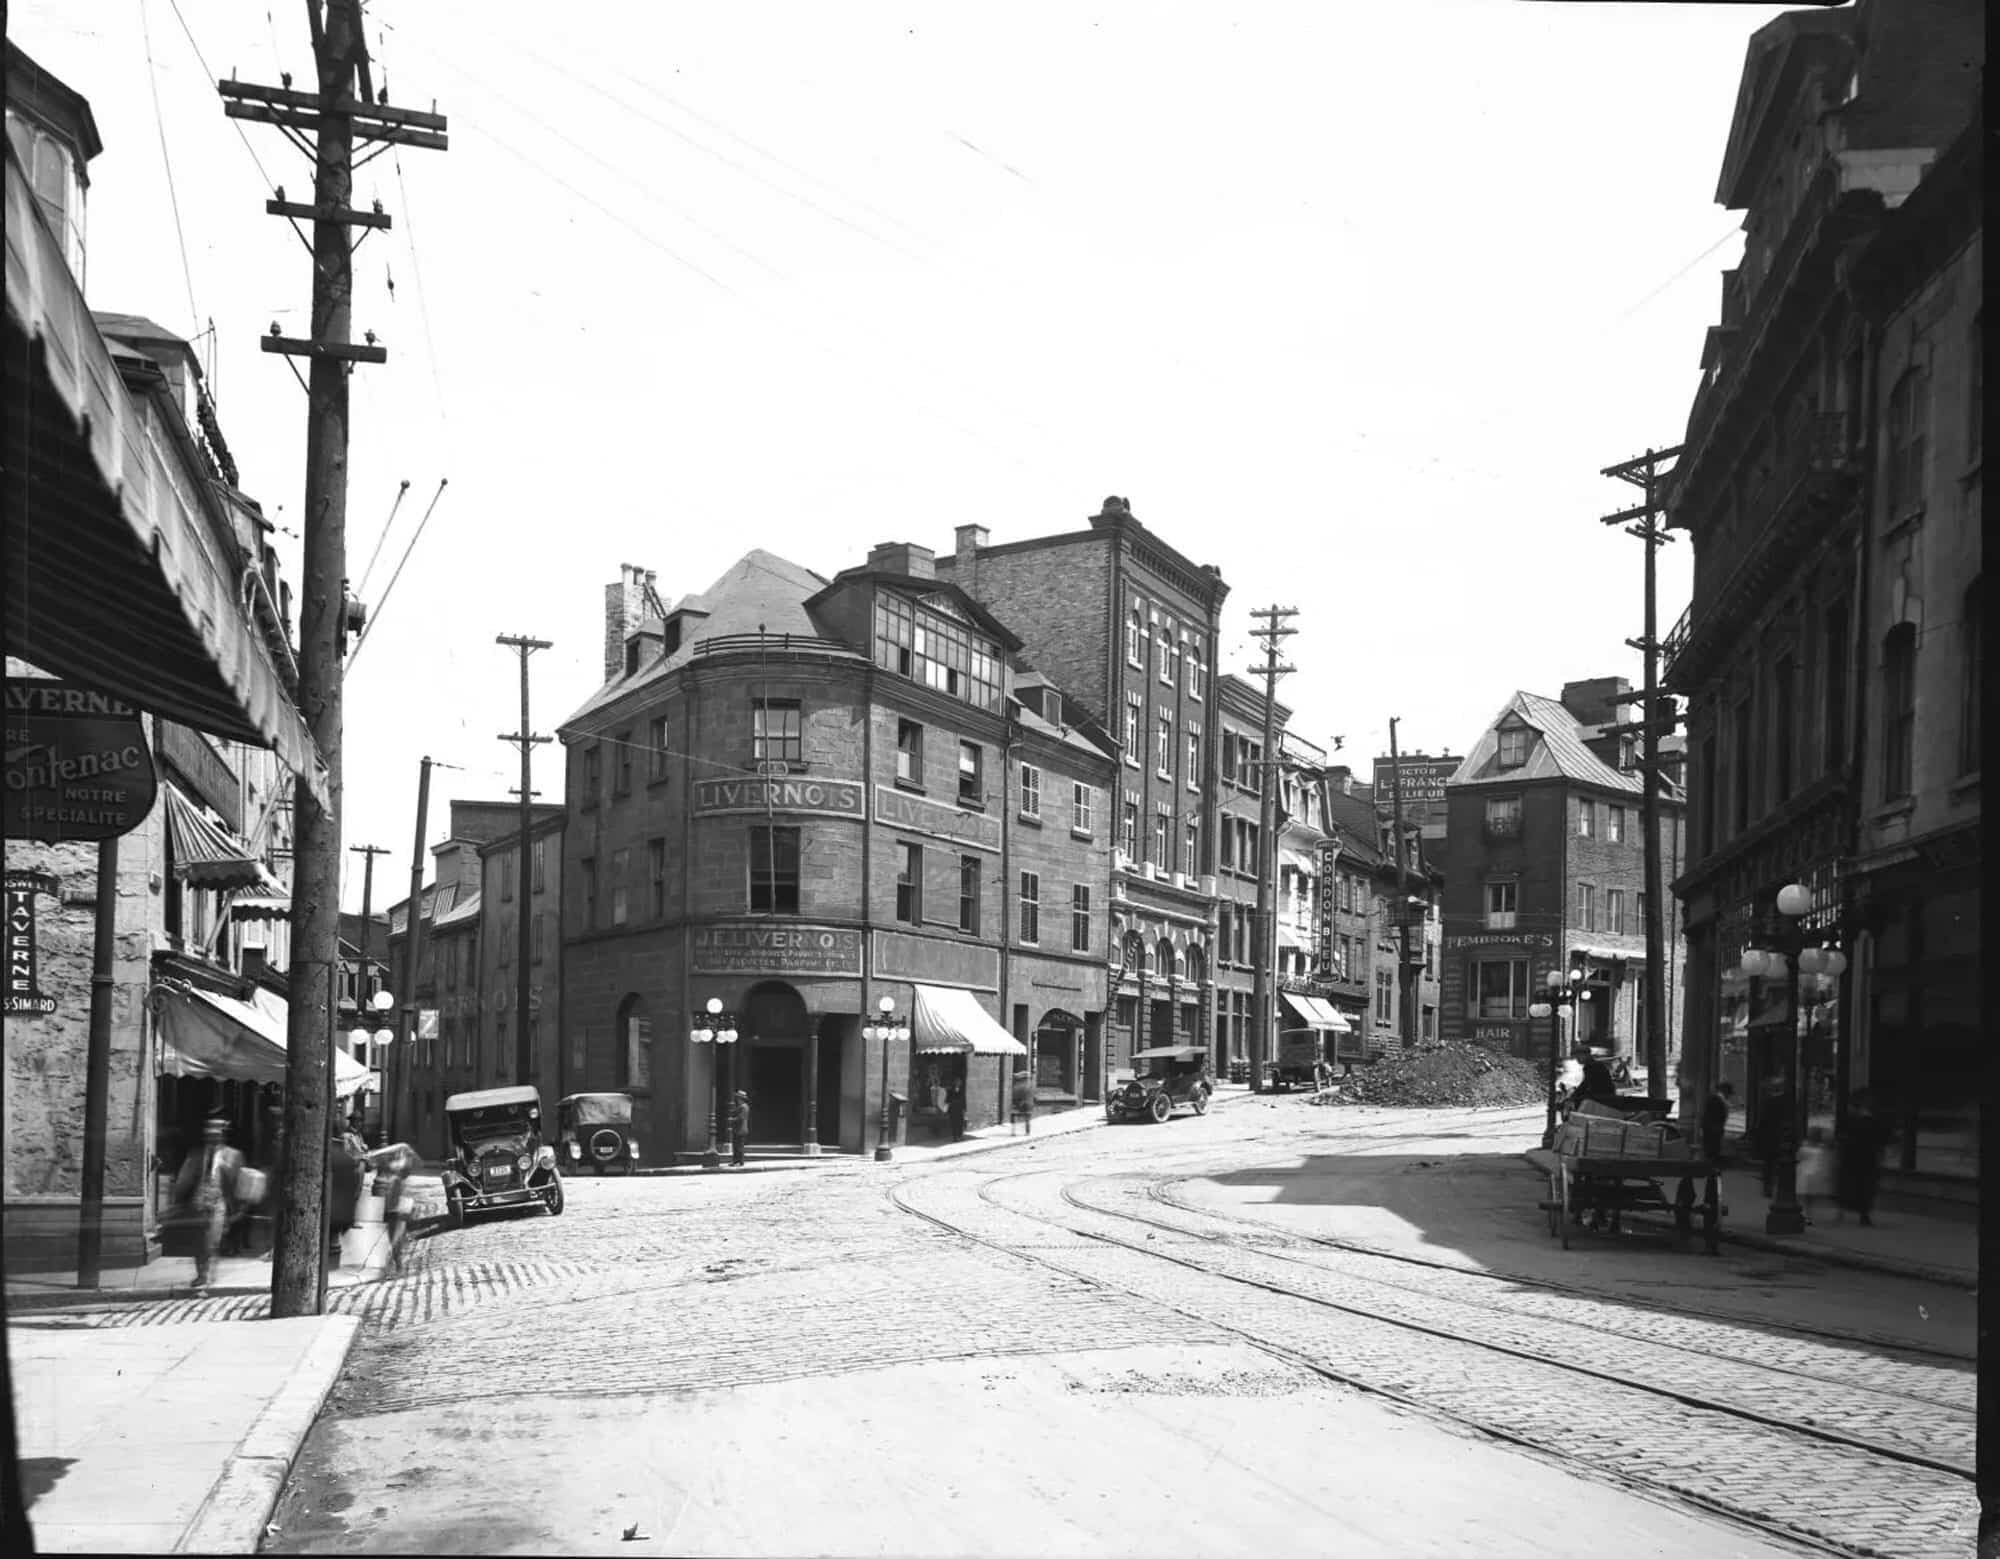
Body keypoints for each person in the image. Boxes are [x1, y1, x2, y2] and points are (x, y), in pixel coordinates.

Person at [170, 1116, 244, 1291]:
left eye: (216, 1134)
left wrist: (238, 1206)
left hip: (218, 1203)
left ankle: (209, 1273)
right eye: (209, 1134)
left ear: (222, 1135)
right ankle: (201, 1274)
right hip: (198, 1202)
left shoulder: (232, 1156)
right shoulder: (196, 1154)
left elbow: (238, 1182)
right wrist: (178, 1200)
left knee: (213, 1240)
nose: (212, 1137)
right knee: (198, 1241)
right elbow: (185, 1178)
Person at [1834, 1091, 1889, 1226]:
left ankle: (1847, 1211)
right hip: (1868, 1160)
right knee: (1866, 1187)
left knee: (1853, 1186)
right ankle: (1864, 1214)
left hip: (1852, 1160)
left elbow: (1843, 1139)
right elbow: (1882, 1140)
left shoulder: (1852, 1122)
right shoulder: (1874, 1122)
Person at [1700, 1081, 1735, 1165]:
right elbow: (1711, 1117)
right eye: (1729, 1093)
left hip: (1714, 1129)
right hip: (1712, 1130)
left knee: (1714, 1151)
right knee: (1712, 1151)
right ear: (1725, 1092)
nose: (1729, 1096)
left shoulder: (1719, 1100)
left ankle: (1711, 1168)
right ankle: (1710, 1169)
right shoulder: (1715, 1099)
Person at [729, 1090, 751, 1167]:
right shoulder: (741, 1106)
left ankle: (740, 1162)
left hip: (741, 1129)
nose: (737, 1099)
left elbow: (741, 1118)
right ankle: (735, 1161)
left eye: (738, 1098)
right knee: (736, 1146)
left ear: (740, 1099)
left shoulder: (744, 1107)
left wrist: (732, 1119)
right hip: (738, 1129)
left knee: (739, 1147)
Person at [1011, 1069, 1036, 1136]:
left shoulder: (1017, 1087)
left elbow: (1015, 1095)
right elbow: (1034, 1095)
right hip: (1029, 1104)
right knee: (1027, 1118)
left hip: (1019, 1104)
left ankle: (1014, 1132)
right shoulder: (1031, 1086)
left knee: (1014, 1118)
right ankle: (1027, 1132)